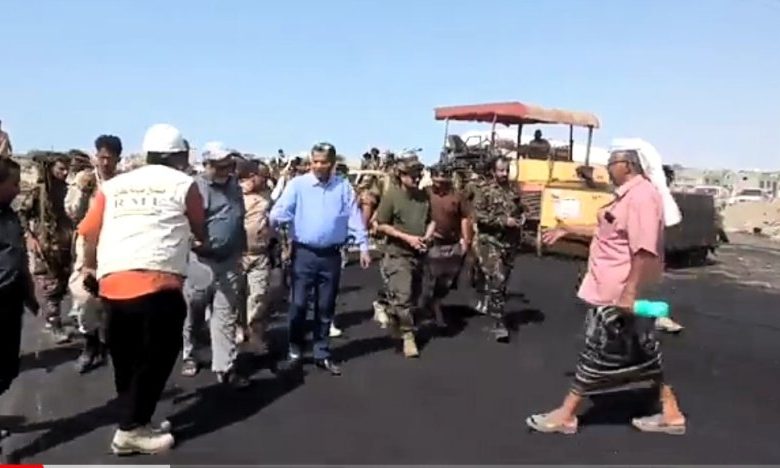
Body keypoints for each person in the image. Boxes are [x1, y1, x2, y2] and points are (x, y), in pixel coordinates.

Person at [527, 149, 686, 436]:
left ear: (626, 165)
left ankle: (566, 413)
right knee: (642, 351)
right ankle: (671, 413)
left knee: (598, 350)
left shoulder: (641, 197)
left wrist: (630, 292)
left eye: (610, 164)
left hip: (619, 291)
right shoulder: (626, 196)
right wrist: (568, 229)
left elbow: (644, 249)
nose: (607, 169)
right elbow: (609, 230)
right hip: (612, 288)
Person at [77, 123, 207, 455]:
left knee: (126, 359)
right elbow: (200, 229)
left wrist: (89, 267)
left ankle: (137, 420)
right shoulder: (184, 184)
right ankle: (130, 431)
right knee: (156, 358)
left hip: (114, 283)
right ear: (179, 156)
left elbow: (89, 232)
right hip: (157, 284)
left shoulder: (114, 186)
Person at [270, 142, 371, 376]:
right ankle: (295, 350)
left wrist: (364, 246)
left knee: (325, 306)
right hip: (304, 254)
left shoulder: (343, 187)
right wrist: (274, 219)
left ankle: (322, 352)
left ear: (332, 164)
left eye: (323, 162)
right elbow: (281, 210)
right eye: (314, 161)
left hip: (331, 255)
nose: (317, 166)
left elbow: (354, 217)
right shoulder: (298, 185)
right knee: (298, 304)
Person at [181, 144, 248, 388]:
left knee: (225, 315)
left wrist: (241, 250)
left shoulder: (234, 186)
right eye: (220, 166)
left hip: (228, 261)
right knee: (194, 312)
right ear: (207, 165)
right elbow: (185, 224)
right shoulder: (194, 188)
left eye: (229, 165)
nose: (226, 170)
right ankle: (190, 353)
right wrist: (196, 244)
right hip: (201, 262)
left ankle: (225, 367)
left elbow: (238, 219)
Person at [66, 135, 123, 373]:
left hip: (117, 245)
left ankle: (107, 342)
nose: (105, 163)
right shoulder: (86, 182)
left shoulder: (124, 184)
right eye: (102, 157)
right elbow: (72, 212)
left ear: (118, 159)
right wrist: (81, 189)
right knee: (84, 295)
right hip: (88, 245)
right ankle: (90, 342)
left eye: (110, 158)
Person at [374, 157, 435, 358]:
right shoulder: (392, 196)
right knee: (404, 296)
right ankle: (408, 335)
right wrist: (407, 238)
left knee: (414, 296)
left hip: (419, 254)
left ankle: (388, 310)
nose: (416, 179)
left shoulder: (423, 197)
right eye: (412, 175)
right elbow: (381, 224)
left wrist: (427, 236)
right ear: (401, 175)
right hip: (397, 253)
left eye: (419, 175)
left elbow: (431, 221)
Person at [18, 152, 73, 343]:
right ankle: (54, 324)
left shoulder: (68, 190)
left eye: (67, 169)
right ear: (51, 169)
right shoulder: (39, 192)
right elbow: (22, 214)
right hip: (46, 245)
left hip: (65, 244)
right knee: (51, 287)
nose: (65, 173)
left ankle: (54, 320)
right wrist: (30, 237)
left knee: (63, 284)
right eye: (61, 169)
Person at [471, 156, 524, 342]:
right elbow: (479, 216)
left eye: (506, 170)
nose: (504, 174)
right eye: (501, 170)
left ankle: (492, 303)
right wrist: (503, 221)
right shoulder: (484, 190)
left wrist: (521, 217)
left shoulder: (513, 190)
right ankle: (498, 322)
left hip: (509, 243)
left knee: (503, 282)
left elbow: (520, 208)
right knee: (497, 280)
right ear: (493, 171)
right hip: (490, 241)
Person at [0, 158, 39, 410]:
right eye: (13, 183)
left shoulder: (9, 214)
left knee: (7, 367)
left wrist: (29, 294)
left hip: (11, 297)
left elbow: (18, 256)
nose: (17, 189)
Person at [424, 164, 472, 328]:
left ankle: (434, 302)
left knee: (447, 281)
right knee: (431, 278)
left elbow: (464, 217)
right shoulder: (425, 194)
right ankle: (433, 310)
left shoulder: (457, 196)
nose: (440, 183)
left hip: (452, 243)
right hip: (432, 243)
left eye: (443, 180)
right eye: (437, 180)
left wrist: (466, 239)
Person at [236, 159, 274, 351]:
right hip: (236, 255)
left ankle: (255, 334)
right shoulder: (232, 195)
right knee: (235, 296)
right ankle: (236, 331)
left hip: (259, 254)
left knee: (258, 296)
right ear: (252, 176)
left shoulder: (266, 198)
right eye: (263, 176)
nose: (266, 180)